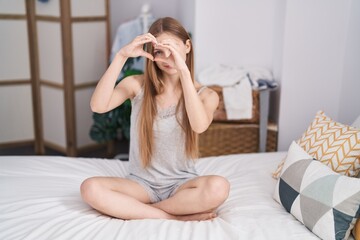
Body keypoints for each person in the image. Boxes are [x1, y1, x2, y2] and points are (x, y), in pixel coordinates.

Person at [80, 17, 230, 221]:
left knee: (219, 187)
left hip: (181, 184)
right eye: (160, 51)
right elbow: (98, 106)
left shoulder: (206, 95)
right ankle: (171, 216)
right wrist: (121, 56)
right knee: (90, 188)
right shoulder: (136, 84)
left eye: (173, 49)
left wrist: (184, 72)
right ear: (152, 54)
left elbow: (199, 126)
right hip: (141, 185)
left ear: (187, 46)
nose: (168, 58)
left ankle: (139, 210)